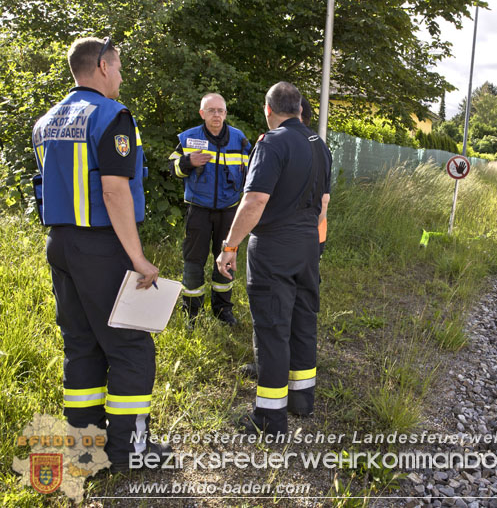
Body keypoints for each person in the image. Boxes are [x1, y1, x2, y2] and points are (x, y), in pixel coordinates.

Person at [31, 36, 169, 471]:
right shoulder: (112, 116)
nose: (122, 76)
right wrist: (139, 258)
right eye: (120, 67)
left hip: (60, 244)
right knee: (131, 346)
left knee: (81, 345)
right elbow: (113, 191)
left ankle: (84, 446)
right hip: (100, 246)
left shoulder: (45, 121)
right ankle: (130, 450)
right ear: (105, 67)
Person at [216, 82, 331, 434]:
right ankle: (302, 400)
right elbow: (324, 203)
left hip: (274, 246)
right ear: (299, 108)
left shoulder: (272, 143)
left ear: (269, 111)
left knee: (271, 328)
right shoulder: (319, 146)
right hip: (308, 243)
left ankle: (269, 417)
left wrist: (230, 245)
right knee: (302, 321)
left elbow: (254, 202)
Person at [169, 93, 251, 326]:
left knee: (226, 261)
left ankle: (222, 310)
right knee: (193, 261)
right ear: (202, 113)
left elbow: (252, 171)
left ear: (226, 114)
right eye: (211, 110)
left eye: (221, 111)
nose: (217, 115)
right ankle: (191, 312)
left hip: (229, 211)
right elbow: (172, 167)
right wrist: (187, 162)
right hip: (199, 210)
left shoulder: (240, 139)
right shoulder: (188, 138)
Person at [300, 97, 331, 257]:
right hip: (316, 233)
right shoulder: (322, 148)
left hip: (291, 237)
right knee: (309, 280)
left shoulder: (281, 144)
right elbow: (324, 200)